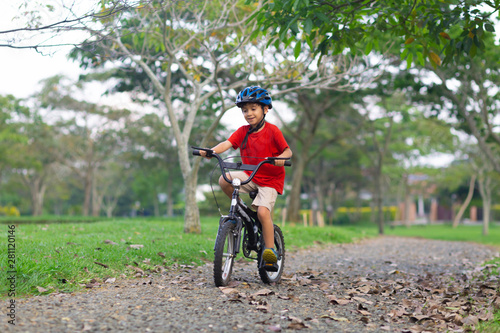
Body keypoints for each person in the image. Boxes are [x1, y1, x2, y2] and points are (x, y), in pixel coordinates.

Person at [200, 86, 292, 271]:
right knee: (223, 179)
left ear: (265, 109)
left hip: (269, 180)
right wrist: (212, 151)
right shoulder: (243, 131)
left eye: (253, 109)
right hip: (250, 175)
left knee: (263, 213)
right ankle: (240, 208)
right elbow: (227, 143)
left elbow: (287, 151)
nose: (248, 113)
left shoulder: (273, 131)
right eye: (245, 110)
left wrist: (281, 159)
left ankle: (269, 252)